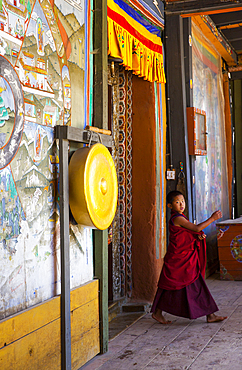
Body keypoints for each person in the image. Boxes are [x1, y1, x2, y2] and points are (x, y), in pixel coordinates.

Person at [151, 190, 227, 324]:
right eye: (177, 202)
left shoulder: (180, 217)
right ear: (170, 206)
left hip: (184, 258)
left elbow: (189, 233)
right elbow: (196, 228)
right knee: (186, 285)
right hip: (180, 259)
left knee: (173, 285)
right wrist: (212, 219)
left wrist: (197, 237)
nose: (181, 204)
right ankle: (210, 315)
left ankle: (158, 312)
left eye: (183, 201)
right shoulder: (178, 218)